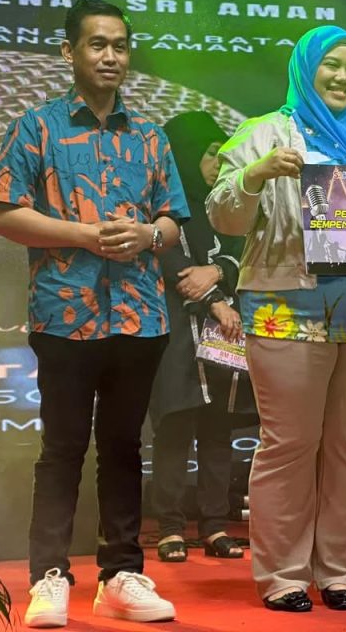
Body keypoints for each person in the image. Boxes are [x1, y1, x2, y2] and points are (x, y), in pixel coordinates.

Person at [0, 0, 187, 626]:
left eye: (120, 46)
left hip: (140, 315)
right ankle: (49, 575)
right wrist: (84, 235)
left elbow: (173, 222)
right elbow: (2, 214)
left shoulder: (150, 135)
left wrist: (148, 235)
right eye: (98, 44)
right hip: (64, 316)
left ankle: (121, 573)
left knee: (124, 446)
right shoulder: (36, 127)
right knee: (63, 448)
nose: (111, 56)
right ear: (69, 52)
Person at [206, 25, 346, 613]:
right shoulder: (262, 132)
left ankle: (341, 571)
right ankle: (283, 575)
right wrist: (255, 174)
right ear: (305, 69)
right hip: (285, 307)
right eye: (330, 65)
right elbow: (224, 218)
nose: (342, 77)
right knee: (289, 443)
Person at [147, 110, 256, 564]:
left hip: (224, 334)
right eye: (212, 153)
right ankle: (170, 527)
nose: (219, 163)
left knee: (217, 428)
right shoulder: (160, 204)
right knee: (175, 425)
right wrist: (213, 299)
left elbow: (245, 253)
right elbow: (171, 266)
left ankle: (215, 526)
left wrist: (218, 273)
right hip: (176, 330)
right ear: (186, 154)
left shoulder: (226, 206)